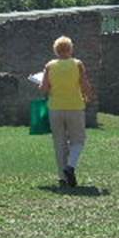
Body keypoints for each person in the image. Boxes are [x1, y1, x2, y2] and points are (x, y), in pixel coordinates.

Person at [39, 35, 94, 187]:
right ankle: (70, 166)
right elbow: (84, 85)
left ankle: (62, 177)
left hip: (55, 107)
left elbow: (43, 89)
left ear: (56, 51)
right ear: (70, 49)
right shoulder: (77, 64)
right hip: (75, 106)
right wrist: (89, 97)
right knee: (78, 140)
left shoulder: (49, 66)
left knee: (59, 142)